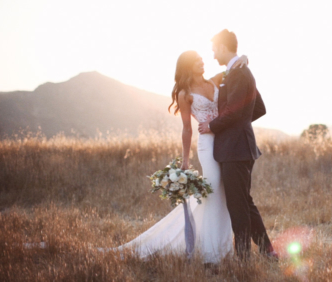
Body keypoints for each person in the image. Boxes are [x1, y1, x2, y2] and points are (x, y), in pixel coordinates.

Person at [101, 51, 248, 264]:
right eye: (197, 61)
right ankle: (209, 252)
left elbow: (234, 67)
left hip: (226, 141)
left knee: (225, 192)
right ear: (188, 66)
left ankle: (222, 248)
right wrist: (185, 161)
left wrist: (245, 57)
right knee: (213, 188)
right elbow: (187, 129)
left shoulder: (216, 80)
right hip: (207, 144)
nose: (202, 63)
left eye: (202, 60)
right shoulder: (184, 93)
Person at [198, 29, 277, 260]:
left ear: (223, 47)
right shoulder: (234, 72)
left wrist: (214, 125)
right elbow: (257, 108)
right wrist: (238, 120)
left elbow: (235, 110)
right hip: (238, 146)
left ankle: (243, 260)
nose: (213, 55)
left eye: (214, 49)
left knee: (237, 206)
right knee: (244, 202)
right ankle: (268, 252)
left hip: (236, 149)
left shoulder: (240, 73)